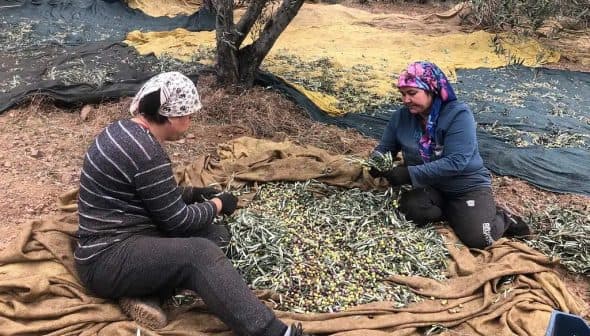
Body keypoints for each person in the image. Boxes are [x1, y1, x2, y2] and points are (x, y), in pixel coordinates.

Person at [74, 72, 310, 336]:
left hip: (132, 235)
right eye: (188, 115)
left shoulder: (122, 130)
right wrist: (219, 204)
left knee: (216, 236)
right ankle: (273, 332)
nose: (190, 121)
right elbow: (178, 222)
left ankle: (142, 295)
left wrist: (195, 194)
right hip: (106, 258)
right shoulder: (147, 153)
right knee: (200, 254)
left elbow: (154, 195)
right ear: (171, 118)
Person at [369, 61, 531, 249]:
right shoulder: (401, 117)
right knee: (409, 211)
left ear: (432, 89)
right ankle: (457, 213)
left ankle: (504, 217)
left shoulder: (458, 115)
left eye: (412, 93)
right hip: (430, 186)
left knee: (479, 239)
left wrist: (408, 174)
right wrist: (376, 162)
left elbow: (456, 162)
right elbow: (386, 147)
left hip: (465, 187)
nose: (406, 100)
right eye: (403, 94)